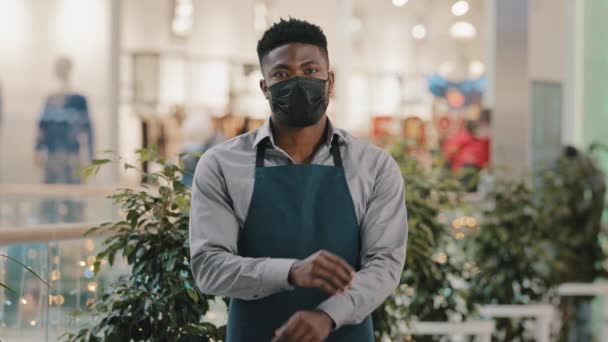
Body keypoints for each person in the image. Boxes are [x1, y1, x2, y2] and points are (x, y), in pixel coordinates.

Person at [189, 18, 408, 342]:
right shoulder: (221, 165)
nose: (298, 82)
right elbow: (208, 267)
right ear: (265, 87)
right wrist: (292, 272)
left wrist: (327, 315)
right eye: (281, 74)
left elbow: (385, 264)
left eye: (310, 70)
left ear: (329, 80)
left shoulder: (374, 166)